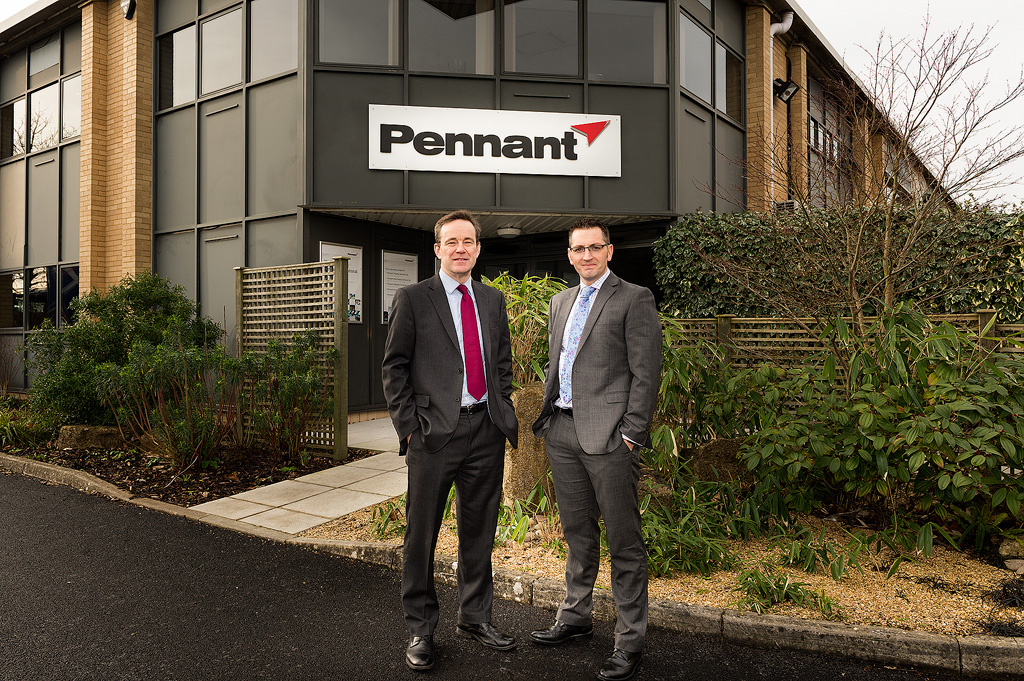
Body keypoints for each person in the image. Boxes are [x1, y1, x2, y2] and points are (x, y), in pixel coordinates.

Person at [382, 210, 519, 672]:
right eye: (451, 241)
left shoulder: (492, 299)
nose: (461, 248)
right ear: (437, 249)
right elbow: (394, 367)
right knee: (421, 536)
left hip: (485, 431)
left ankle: (475, 617)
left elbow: (502, 362)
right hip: (433, 435)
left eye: (468, 241)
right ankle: (420, 627)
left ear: (478, 248)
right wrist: (408, 426)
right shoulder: (413, 298)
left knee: (478, 532)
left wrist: (502, 412)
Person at [530, 218, 661, 681]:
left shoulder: (633, 298)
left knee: (624, 542)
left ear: (610, 251)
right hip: (562, 433)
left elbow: (646, 372)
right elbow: (558, 361)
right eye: (578, 249)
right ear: (569, 255)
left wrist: (632, 433)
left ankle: (629, 642)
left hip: (609, 439)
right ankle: (575, 617)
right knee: (577, 533)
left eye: (594, 248)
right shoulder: (560, 301)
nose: (586, 256)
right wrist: (547, 419)